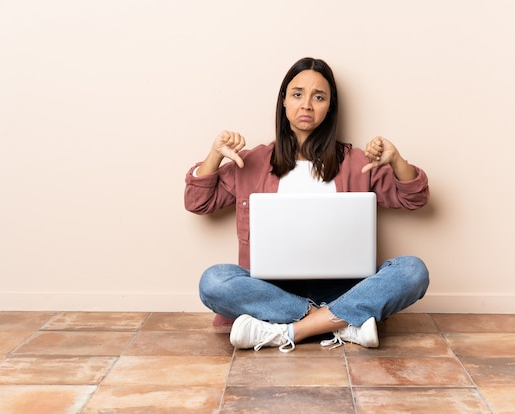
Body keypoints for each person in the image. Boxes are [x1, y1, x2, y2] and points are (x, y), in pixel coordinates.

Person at [184, 57, 429, 353]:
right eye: (297, 94)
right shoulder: (252, 162)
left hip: (346, 288)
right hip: (272, 290)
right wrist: (214, 155)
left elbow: (414, 198)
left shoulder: (357, 162)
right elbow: (198, 202)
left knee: (413, 271)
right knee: (213, 281)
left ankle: (288, 332)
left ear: (330, 107)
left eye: (319, 97)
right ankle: (342, 323)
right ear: (284, 102)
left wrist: (397, 160)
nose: (307, 105)